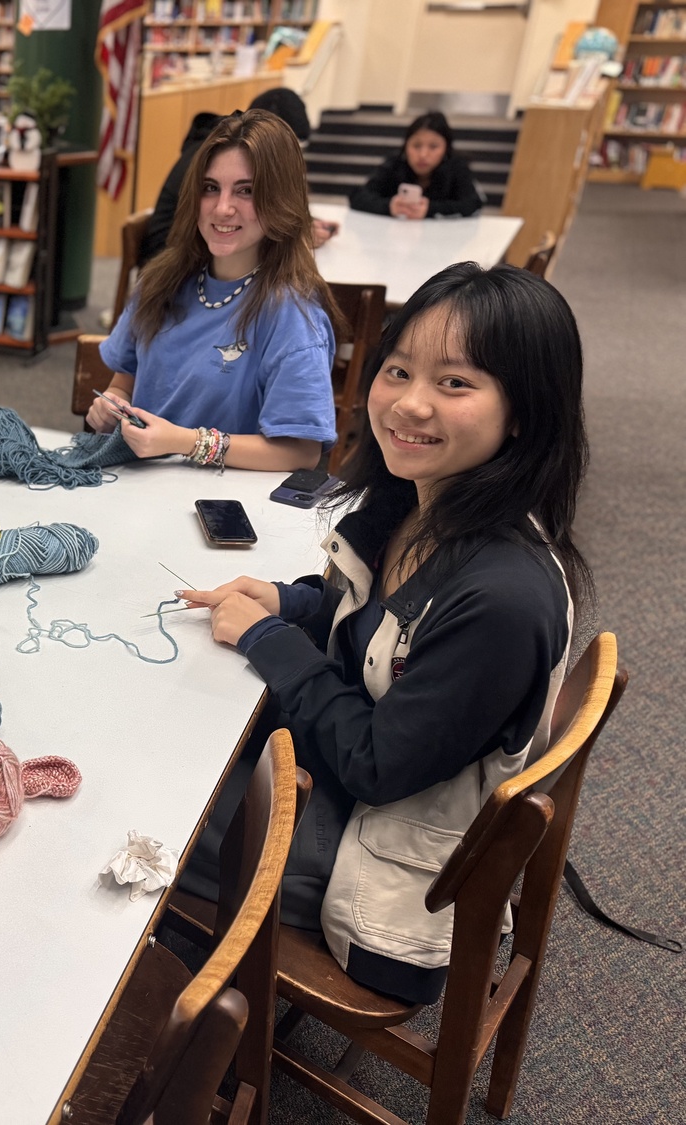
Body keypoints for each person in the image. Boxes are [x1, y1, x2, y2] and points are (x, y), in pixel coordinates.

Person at [175, 262, 586, 1004]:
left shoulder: (502, 598)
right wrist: (285, 599)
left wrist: (270, 639)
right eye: (398, 370)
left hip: (387, 876)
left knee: (158, 818)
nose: (410, 403)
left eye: (455, 384)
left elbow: (375, 764)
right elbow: (366, 624)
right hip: (371, 799)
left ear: (523, 410)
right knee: (180, 746)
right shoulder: (420, 504)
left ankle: (178, 1012)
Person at [90, 110, 339, 472]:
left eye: (246, 191)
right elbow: (123, 383)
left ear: (281, 200)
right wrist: (111, 405)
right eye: (211, 188)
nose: (223, 208)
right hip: (134, 488)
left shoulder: (292, 315)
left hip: (218, 503)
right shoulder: (160, 281)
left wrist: (185, 442)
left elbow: (301, 451)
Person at [139, 89, 336, 267]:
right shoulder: (216, 156)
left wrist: (305, 225)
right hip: (170, 262)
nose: (223, 207)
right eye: (212, 188)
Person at [350, 110, 483, 219]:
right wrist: (389, 206)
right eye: (416, 145)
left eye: (433, 146)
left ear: (446, 149)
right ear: (406, 146)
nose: (423, 155)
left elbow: (472, 204)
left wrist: (430, 209)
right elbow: (358, 196)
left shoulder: (457, 167)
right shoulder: (395, 164)